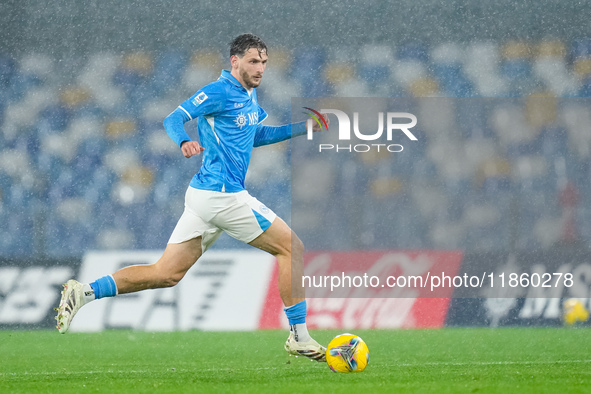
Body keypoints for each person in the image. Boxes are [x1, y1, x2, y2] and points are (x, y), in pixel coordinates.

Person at [55, 33, 328, 362]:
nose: (260, 68)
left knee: (165, 273)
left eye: (265, 62)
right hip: (222, 195)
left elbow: (254, 135)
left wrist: (303, 127)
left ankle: (83, 292)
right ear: (235, 61)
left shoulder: (247, 95)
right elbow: (173, 118)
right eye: (254, 61)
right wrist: (183, 140)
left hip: (206, 196)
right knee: (291, 247)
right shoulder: (218, 91)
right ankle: (299, 336)